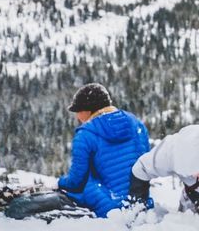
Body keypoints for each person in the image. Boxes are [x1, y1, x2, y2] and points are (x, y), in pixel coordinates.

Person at [54, 82, 150, 218]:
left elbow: (76, 182)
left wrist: (59, 182)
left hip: (110, 209)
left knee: (83, 186)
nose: (77, 117)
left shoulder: (85, 134)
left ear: (88, 110)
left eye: (78, 111)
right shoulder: (136, 124)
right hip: (141, 205)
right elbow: (147, 165)